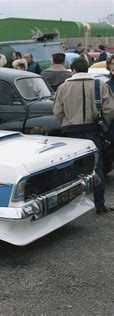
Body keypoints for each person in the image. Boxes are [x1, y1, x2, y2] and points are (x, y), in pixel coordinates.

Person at [53, 58, 114, 215]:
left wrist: (66, 123)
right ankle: (99, 204)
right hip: (93, 130)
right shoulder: (99, 85)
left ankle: (71, 207)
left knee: (72, 169)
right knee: (96, 167)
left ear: (73, 70)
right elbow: (109, 109)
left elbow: (58, 112)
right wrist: (103, 124)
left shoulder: (63, 87)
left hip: (72, 132)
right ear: (87, 69)